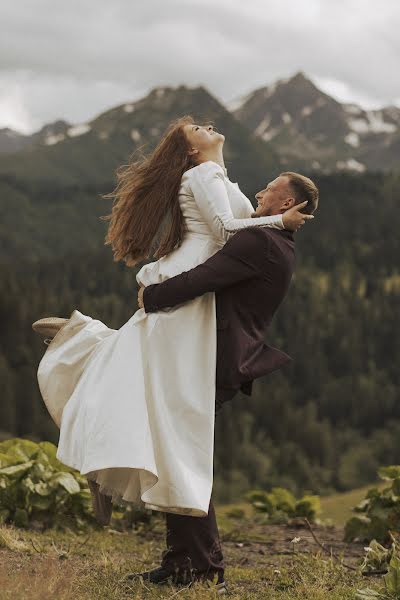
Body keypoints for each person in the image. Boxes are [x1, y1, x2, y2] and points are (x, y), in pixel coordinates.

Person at [32, 116, 309, 587]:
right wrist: (278, 217)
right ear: (193, 151)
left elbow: (234, 226)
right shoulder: (207, 178)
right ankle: (83, 351)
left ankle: (83, 348)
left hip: (196, 314)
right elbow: (227, 229)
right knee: (155, 411)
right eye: (195, 129)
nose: (205, 125)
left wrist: (269, 215)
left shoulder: (228, 189)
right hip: (188, 302)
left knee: (162, 424)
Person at [133, 169, 319, 589]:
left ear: (286, 203)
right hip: (221, 357)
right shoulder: (280, 243)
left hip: (214, 359)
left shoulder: (259, 241)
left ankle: (201, 568)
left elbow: (204, 278)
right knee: (180, 453)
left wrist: (152, 297)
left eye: (269, 188)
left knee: (185, 457)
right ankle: (183, 560)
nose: (259, 191)